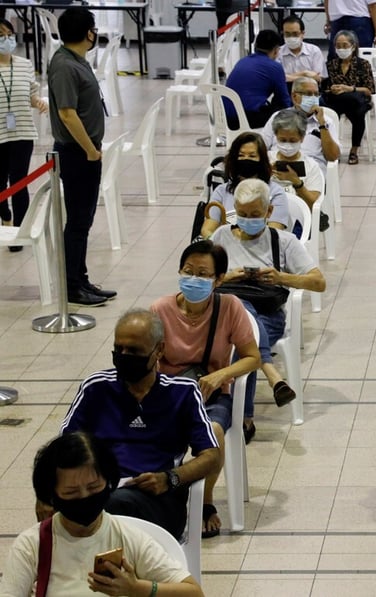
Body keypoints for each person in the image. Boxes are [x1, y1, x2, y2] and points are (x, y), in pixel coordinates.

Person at [55, 310, 220, 540]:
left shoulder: (183, 392)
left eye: (134, 351)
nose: (124, 355)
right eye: (119, 348)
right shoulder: (96, 388)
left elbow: (211, 456)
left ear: (159, 350)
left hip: (159, 500)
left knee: (112, 507)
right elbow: (63, 449)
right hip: (99, 492)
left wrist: (170, 478)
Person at [0, 432, 203, 596]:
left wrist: (137, 588)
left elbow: (193, 592)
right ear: (51, 496)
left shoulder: (129, 538)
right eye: (71, 492)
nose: (84, 497)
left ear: (109, 483)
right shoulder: (32, 545)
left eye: (93, 487)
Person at [151, 240, 260, 539]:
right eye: (188, 271)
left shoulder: (229, 306)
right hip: (169, 394)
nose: (193, 279)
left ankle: (206, 500)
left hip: (212, 396)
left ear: (219, 279)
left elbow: (253, 357)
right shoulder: (160, 309)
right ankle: (161, 495)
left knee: (214, 432)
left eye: (203, 274)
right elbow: (147, 358)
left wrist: (221, 375)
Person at [209, 179, 326, 442]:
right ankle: (270, 376)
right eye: (242, 214)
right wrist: (228, 278)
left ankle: (242, 417)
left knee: (242, 334)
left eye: (254, 215)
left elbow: (318, 282)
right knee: (237, 310)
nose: (247, 220)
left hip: (268, 317)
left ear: (269, 212)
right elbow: (204, 279)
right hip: (224, 317)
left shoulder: (283, 241)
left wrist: (280, 277)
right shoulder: (221, 236)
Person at [49, 7, 114, 307]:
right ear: (88, 32)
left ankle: (81, 277)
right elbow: (66, 112)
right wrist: (89, 149)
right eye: (93, 28)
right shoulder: (64, 65)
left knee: (83, 220)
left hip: (86, 150)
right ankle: (71, 286)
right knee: (77, 220)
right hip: (77, 152)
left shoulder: (77, 60)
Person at [0, 17, 46, 253]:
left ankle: (20, 232)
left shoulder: (25, 65)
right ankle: (5, 214)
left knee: (19, 181)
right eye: (1, 36)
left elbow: (30, 92)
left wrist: (37, 102)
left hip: (22, 131)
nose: (6, 40)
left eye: (9, 35)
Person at [201, 132, 292, 239]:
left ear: (262, 160)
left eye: (252, 156)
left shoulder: (276, 193)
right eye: (241, 155)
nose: (246, 159)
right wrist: (214, 241)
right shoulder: (221, 191)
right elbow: (207, 229)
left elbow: (274, 231)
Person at [260, 77, 342, 172]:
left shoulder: (326, 121)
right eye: (308, 94)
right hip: (279, 169)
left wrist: (322, 124)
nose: (313, 98)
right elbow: (261, 147)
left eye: (316, 94)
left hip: (311, 173)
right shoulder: (278, 117)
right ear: (294, 97)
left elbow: (333, 157)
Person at [322, 31, 375, 165]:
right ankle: (333, 149)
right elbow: (325, 87)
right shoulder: (331, 65)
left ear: (353, 46)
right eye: (338, 46)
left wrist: (350, 88)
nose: (341, 49)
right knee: (330, 113)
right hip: (336, 100)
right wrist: (333, 89)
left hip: (358, 100)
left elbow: (369, 90)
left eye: (345, 45)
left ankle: (354, 150)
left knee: (358, 112)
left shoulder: (363, 64)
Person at [225, 29, 292, 129]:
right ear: (276, 50)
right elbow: (284, 100)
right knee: (282, 106)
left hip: (227, 117)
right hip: (247, 119)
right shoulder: (274, 67)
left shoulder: (243, 61)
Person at [267, 110, 325, 217]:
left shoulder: (311, 166)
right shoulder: (266, 159)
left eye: (292, 140)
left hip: (298, 219)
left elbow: (315, 205)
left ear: (302, 138)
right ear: (276, 136)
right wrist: (266, 174)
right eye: (282, 140)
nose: (287, 145)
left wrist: (297, 183)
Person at [278, 16, 327, 84]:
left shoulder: (314, 51)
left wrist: (289, 77)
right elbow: (276, 78)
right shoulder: (278, 53)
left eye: (295, 34)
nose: (291, 37)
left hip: (309, 91)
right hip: (285, 91)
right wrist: (305, 74)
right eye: (287, 34)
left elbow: (318, 78)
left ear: (302, 34)